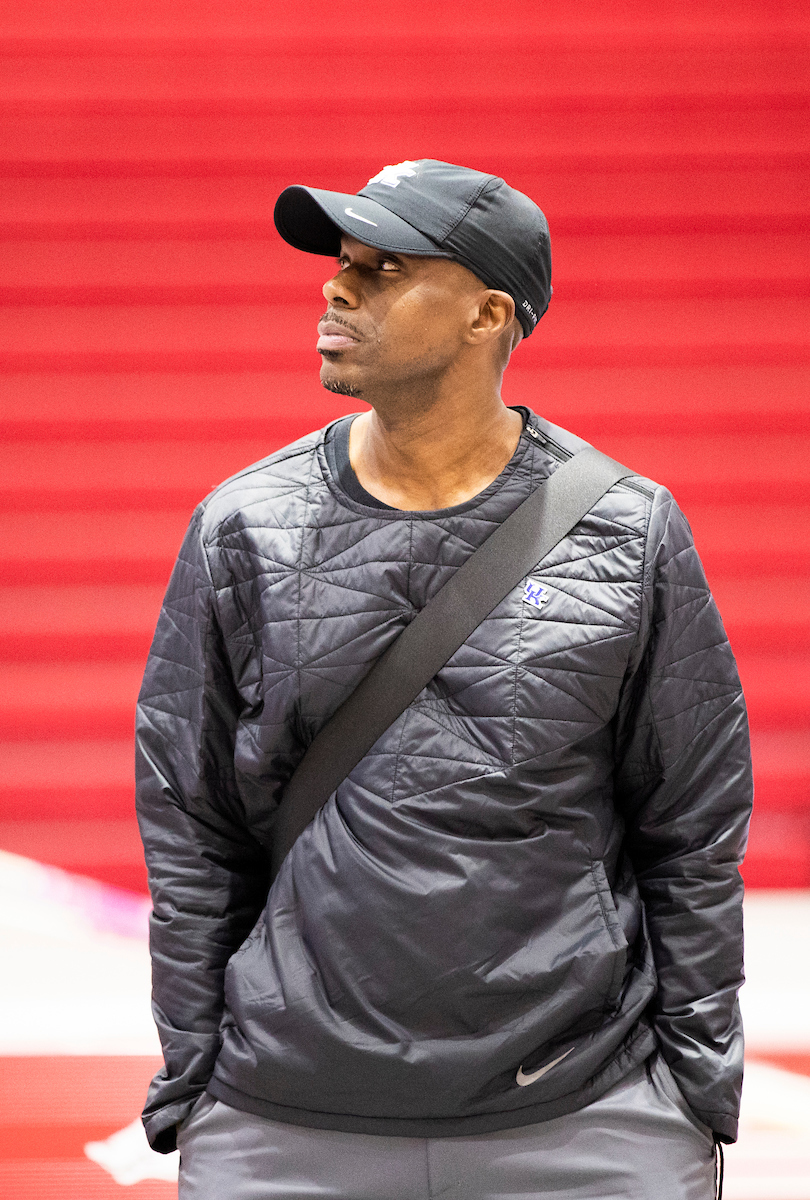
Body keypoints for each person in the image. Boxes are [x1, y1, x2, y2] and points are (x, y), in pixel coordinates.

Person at [135, 159, 752, 1198]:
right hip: (283, 1121)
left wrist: (694, 1095)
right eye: (342, 264)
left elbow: (692, 828)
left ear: (487, 315)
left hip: (585, 1117)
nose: (336, 288)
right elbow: (190, 822)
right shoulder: (245, 527)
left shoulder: (629, 532)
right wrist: (196, 1081)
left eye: (381, 269)